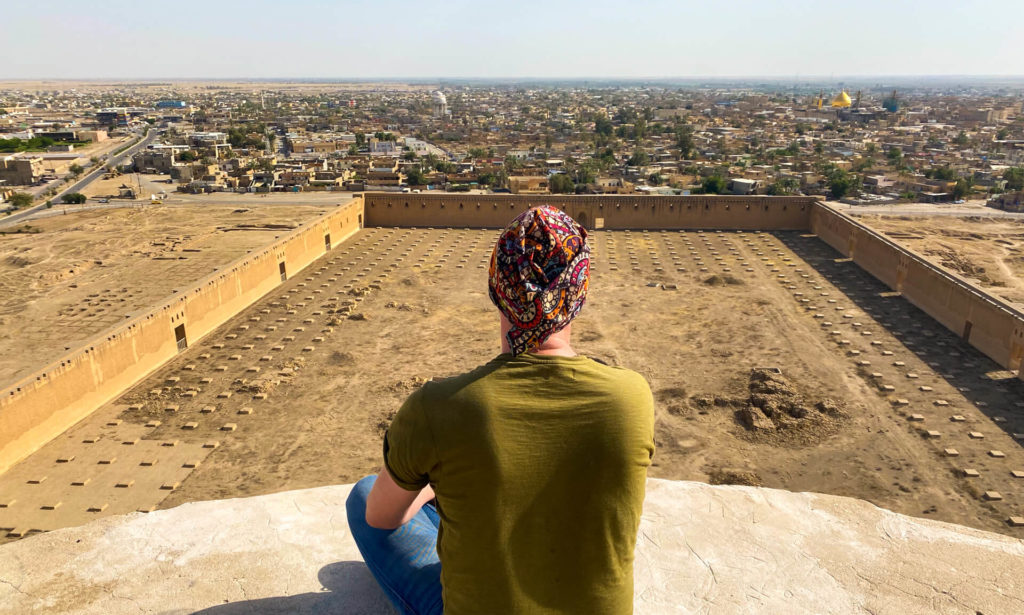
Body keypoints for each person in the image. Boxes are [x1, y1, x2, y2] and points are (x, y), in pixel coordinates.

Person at [346, 205, 655, 614]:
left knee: (367, 493)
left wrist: (435, 488)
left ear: (497, 287)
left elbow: (382, 518)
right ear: (579, 294)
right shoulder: (631, 398)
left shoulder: (437, 407)